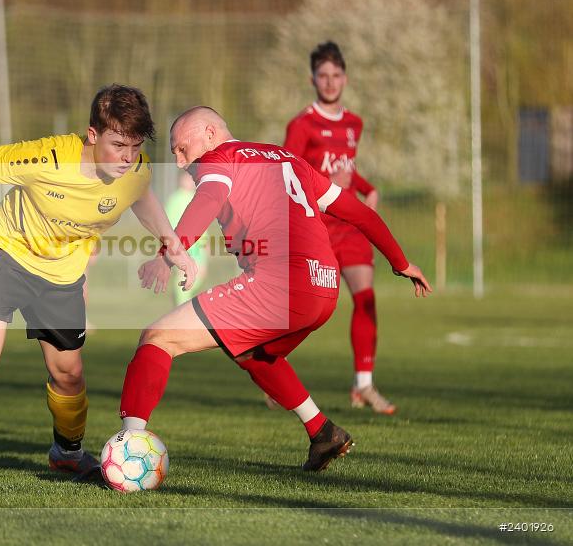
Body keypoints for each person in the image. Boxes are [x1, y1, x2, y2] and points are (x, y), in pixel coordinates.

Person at [0, 84, 196, 485]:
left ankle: (67, 454)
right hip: (2, 252)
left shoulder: (136, 169)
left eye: (134, 147)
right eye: (117, 146)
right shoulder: (47, 156)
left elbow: (141, 195)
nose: (127, 158)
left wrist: (171, 242)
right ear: (92, 135)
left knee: (69, 375)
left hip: (60, 273)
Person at [119, 107, 430, 472]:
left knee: (157, 337)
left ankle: (128, 446)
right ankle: (322, 432)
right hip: (323, 287)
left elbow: (207, 202)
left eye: (181, 148)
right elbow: (358, 213)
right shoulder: (289, 160)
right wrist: (401, 261)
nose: (178, 159)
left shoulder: (219, 159)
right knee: (253, 354)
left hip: (277, 285)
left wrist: (169, 254)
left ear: (209, 133)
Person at [283, 41, 394, 414]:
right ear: (312, 78)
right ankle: (269, 364)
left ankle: (363, 385)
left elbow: (347, 171)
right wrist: (329, 181)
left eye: (335, 75)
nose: (330, 82)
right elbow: (289, 173)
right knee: (310, 309)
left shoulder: (353, 124)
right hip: (317, 228)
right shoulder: (302, 125)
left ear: (344, 78)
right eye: (323, 75)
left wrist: (368, 190)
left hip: (349, 227)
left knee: (366, 297)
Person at [163, 171, 209, 305]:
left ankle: (183, 301)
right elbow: (168, 223)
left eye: (192, 178)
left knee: (199, 274)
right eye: (187, 178)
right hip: (184, 245)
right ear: (180, 180)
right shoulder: (175, 199)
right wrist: (174, 246)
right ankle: (182, 307)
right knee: (185, 275)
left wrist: (205, 243)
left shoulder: (197, 198)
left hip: (198, 245)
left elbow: (202, 223)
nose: (190, 181)